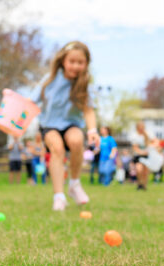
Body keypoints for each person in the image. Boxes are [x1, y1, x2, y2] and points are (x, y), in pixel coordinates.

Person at [29, 41, 99, 210]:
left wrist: (92, 130)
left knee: (77, 140)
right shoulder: (50, 79)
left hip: (71, 123)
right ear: (63, 61)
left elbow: (88, 110)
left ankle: (74, 184)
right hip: (49, 125)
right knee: (57, 149)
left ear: (86, 64)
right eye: (72, 61)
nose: (75, 66)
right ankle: (59, 196)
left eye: (80, 62)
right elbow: (31, 101)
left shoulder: (83, 84)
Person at [131, 121, 150, 190]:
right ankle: (139, 183)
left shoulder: (147, 134)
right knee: (139, 170)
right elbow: (135, 147)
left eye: (143, 127)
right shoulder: (134, 136)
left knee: (145, 171)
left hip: (147, 155)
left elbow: (148, 144)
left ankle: (144, 185)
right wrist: (142, 152)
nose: (142, 129)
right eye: (140, 127)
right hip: (138, 155)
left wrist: (146, 136)